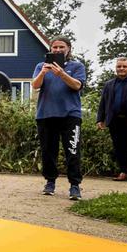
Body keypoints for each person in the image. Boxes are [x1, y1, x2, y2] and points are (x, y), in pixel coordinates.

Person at [31, 36, 86, 199]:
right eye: (54, 47)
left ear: (69, 48)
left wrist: (61, 73)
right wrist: (43, 72)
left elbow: (77, 85)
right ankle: (50, 182)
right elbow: (35, 86)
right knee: (48, 152)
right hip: (46, 114)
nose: (58, 50)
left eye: (61, 47)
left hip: (70, 115)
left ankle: (74, 185)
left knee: (73, 151)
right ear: (50, 49)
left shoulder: (77, 66)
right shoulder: (41, 66)